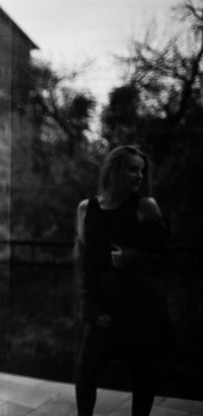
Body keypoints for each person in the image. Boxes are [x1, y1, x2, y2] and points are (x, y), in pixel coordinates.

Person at [74, 145, 174, 416]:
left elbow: (165, 259)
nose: (139, 176)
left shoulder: (146, 207)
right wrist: (93, 311)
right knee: (85, 371)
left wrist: (129, 257)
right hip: (103, 312)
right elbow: (85, 267)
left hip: (140, 311)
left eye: (141, 170)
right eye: (132, 169)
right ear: (114, 170)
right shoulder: (87, 209)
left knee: (142, 375)